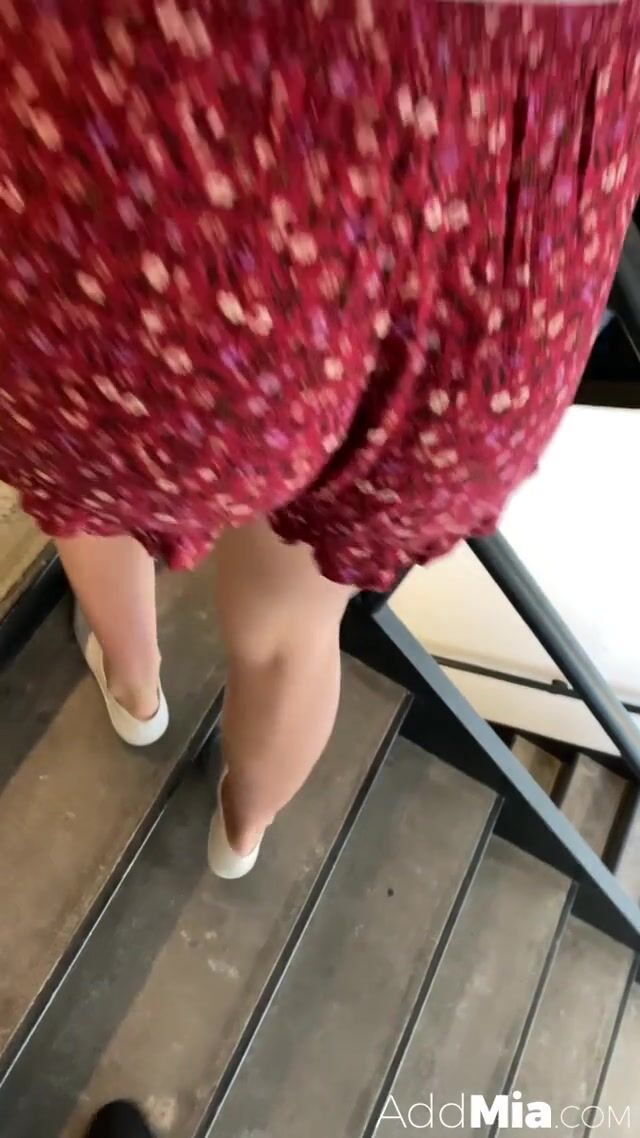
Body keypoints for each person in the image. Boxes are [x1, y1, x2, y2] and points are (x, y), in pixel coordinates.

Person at [1, 1, 638, 885]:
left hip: (175, 210)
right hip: (497, 269)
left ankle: (136, 691)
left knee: (99, 502)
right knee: (295, 626)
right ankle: (242, 833)